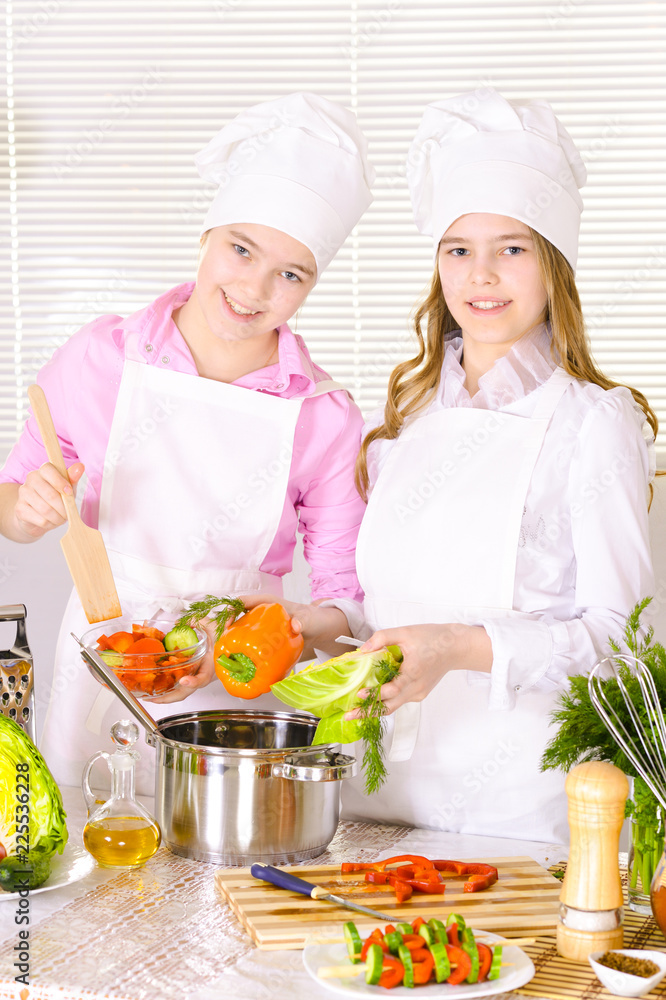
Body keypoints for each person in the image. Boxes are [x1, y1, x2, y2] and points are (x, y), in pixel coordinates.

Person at [0, 92, 374, 790]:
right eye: (240, 249)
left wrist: (263, 638)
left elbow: (345, 608)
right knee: (86, 861)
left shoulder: (324, 418)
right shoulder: (103, 357)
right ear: (206, 235)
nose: (254, 287)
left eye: (290, 274)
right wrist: (27, 510)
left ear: (313, 283)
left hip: (232, 692)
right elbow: (13, 501)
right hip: (100, 667)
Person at [336, 89, 655, 843]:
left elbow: (620, 646)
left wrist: (459, 649)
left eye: (510, 248)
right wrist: (314, 624)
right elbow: (387, 612)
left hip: (519, 814)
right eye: (459, 250)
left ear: (553, 266)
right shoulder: (404, 425)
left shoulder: (593, 423)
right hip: (373, 802)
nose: (481, 275)